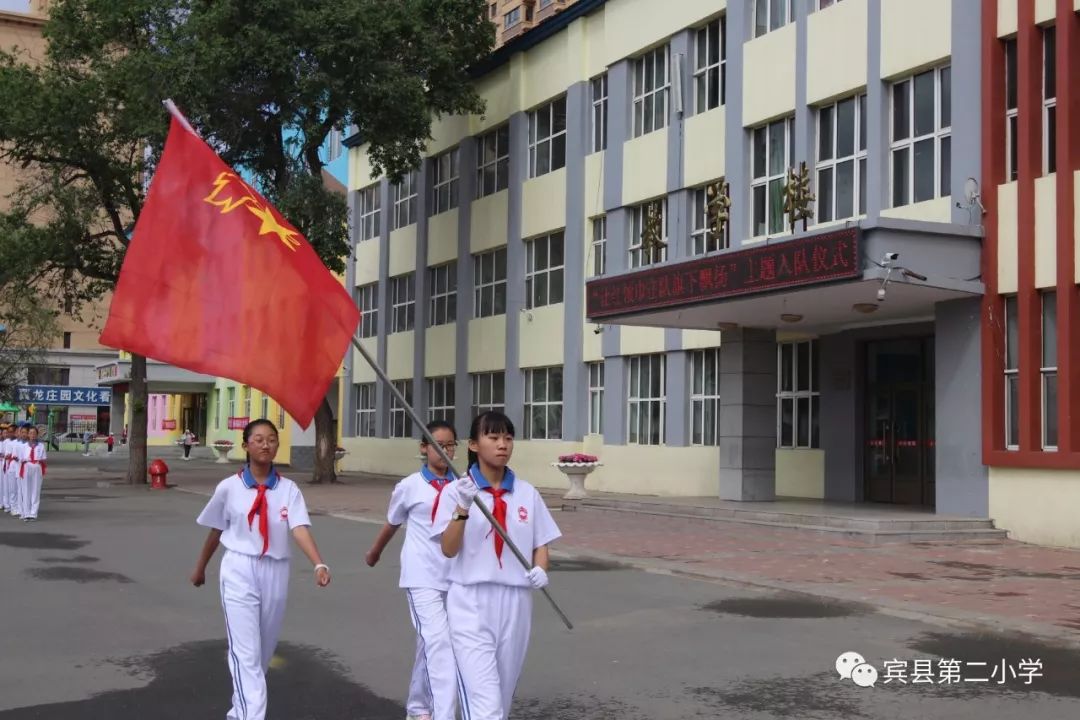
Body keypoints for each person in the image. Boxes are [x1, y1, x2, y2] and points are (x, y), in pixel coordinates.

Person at [190, 419, 331, 720]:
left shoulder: (289, 489)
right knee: (246, 653)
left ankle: (239, 711)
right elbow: (216, 530)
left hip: (276, 571)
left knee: (263, 651)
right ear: (246, 445)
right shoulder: (229, 488)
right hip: (239, 568)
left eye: (271, 439)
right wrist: (201, 568)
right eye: (258, 439)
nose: (266, 445)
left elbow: (299, 528)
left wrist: (318, 563)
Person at [431, 411, 561, 720]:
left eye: (508, 438)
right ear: (474, 445)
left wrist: (541, 569)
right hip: (471, 601)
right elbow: (448, 548)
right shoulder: (455, 491)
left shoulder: (527, 493)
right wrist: (463, 507)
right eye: (493, 437)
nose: (503, 444)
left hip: (516, 602)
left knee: (500, 698)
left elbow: (541, 542)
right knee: (485, 703)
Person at [366, 420, 459, 720]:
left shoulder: (462, 486)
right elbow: (392, 523)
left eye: (450, 445)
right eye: (438, 445)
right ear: (424, 448)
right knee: (439, 641)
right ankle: (436, 712)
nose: (445, 451)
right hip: (422, 575)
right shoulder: (409, 486)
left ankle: (419, 706)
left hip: (455, 576)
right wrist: (375, 552)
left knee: (430, 642)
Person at [19, 425, 46, 522]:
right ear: (28, 435)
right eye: (30, 433)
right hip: (27, 466)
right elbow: (21, 459)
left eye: (34, 433)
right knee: (26, 490)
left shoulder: (41, 446)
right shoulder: (23, 446)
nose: (32, 435)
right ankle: (26, 513)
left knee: (36, 490)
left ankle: (33, 513)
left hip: (37, 466)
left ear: (37, 435)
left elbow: (43, 459)